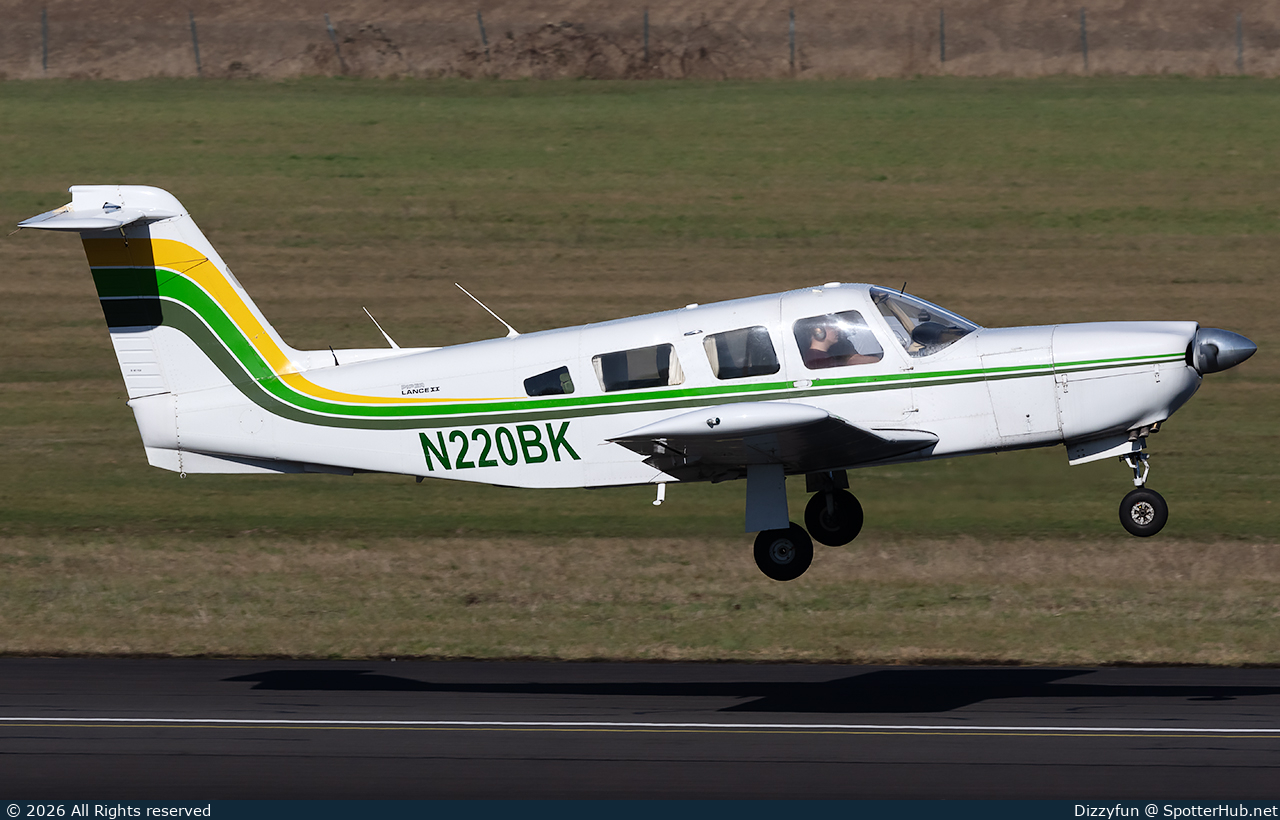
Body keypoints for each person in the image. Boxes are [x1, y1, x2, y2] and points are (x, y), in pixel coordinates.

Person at [802, 319, 881, 369]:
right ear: (819, 332)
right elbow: (848, 362)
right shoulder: (815, 359)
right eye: (832, 327)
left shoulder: (822, 355)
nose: (837, 330)